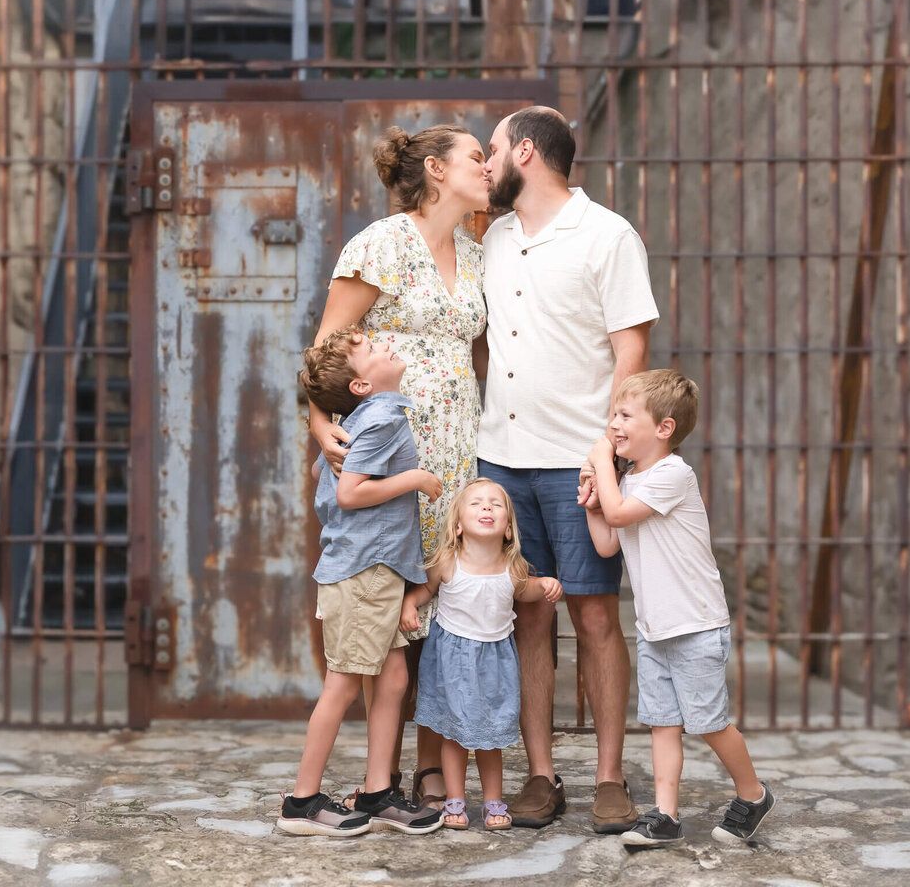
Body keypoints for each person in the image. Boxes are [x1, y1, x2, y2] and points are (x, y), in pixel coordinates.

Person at [477, 106, 658, 832]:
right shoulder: (492, 237)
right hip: (501, 458)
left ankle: (610, 778)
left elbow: (632, 352)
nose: (485, 164)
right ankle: (541, 775)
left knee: (593, 615)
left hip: (577, 463)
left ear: (526, 149)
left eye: (492, 149)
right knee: (527, 616)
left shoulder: (608, 235)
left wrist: (606, 450)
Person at [308, 124, 490, 810]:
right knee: (382, 617)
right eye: (478, 156)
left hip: (453, 454)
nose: (488, 165)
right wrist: (322, 426)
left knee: (434, 609)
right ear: (437, 170)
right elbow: (325, 351)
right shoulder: (380, 244)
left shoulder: (474, 252)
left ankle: (422, 770)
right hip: (387, 458)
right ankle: (374, 778)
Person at [581, 369, 776, 846]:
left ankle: (753, 795)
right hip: (655, 627)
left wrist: (601, 464)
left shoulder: (672, 473)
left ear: (663, 429)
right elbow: (609, 542)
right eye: (613, 416)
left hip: (694, 625)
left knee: (708, 723)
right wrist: (593, 502)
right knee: (662, 723)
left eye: (626, 415)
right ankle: (664, 817)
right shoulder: (626, 482)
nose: (614, 425)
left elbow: (623, 515)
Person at [277, 326, 445, 837]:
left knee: (392, 679)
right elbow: (349, 493)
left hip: (378, 571)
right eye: (372, 349)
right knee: (344, 683)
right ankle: (302, 802)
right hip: (364, 573)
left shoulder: (365, 417)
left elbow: (319, 477)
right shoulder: (382, 418)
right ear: (361, 386)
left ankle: (376, 793)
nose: (386, 344)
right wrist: (415, 479)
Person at [400, 479, 563, 831]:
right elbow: (425, 589)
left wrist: (545, 585)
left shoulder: (513, 567)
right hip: (452, 660)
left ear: (507, 529)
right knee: (454, 735)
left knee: (490, 738)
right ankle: (455, 800)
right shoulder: (447, 561)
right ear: (457, 526)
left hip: (494, 661)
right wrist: (409, 605)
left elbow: (526, 591)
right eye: (475, 503)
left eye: (495, 504)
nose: (486, 508)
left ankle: (493, 801)